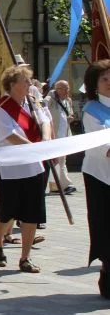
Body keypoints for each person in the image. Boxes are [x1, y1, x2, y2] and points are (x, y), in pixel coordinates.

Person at [0, 64, 50, 273]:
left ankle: (25, 258)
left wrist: (46, 140)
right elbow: (10, 136)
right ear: (13, 84)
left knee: (32, 212)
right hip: (10, 167)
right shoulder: (2, 107)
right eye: (25, 81)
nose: (29, 84)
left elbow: (45, 121)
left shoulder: (33, 102)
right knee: (7, 212)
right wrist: (36, 147)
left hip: (33, 167)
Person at [81, 60, 110, 298]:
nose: (109, 83)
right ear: (94, 84)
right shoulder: (92, 110)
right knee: (105, 226)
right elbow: (102, 144)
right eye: (104, 79)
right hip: (100, 176)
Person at [46, 80, 78, 194]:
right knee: (58, 160)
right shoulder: (51, 99)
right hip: (54, 135)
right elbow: (43, 106)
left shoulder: (68, 100)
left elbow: (70, 114)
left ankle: (55, 186)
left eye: (68, 88)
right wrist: (50, 95)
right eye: (64, 88)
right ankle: (66, 185)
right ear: (57, 89)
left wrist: (70, 118)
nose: (67, 91)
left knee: (61, 160)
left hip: (65, 135)